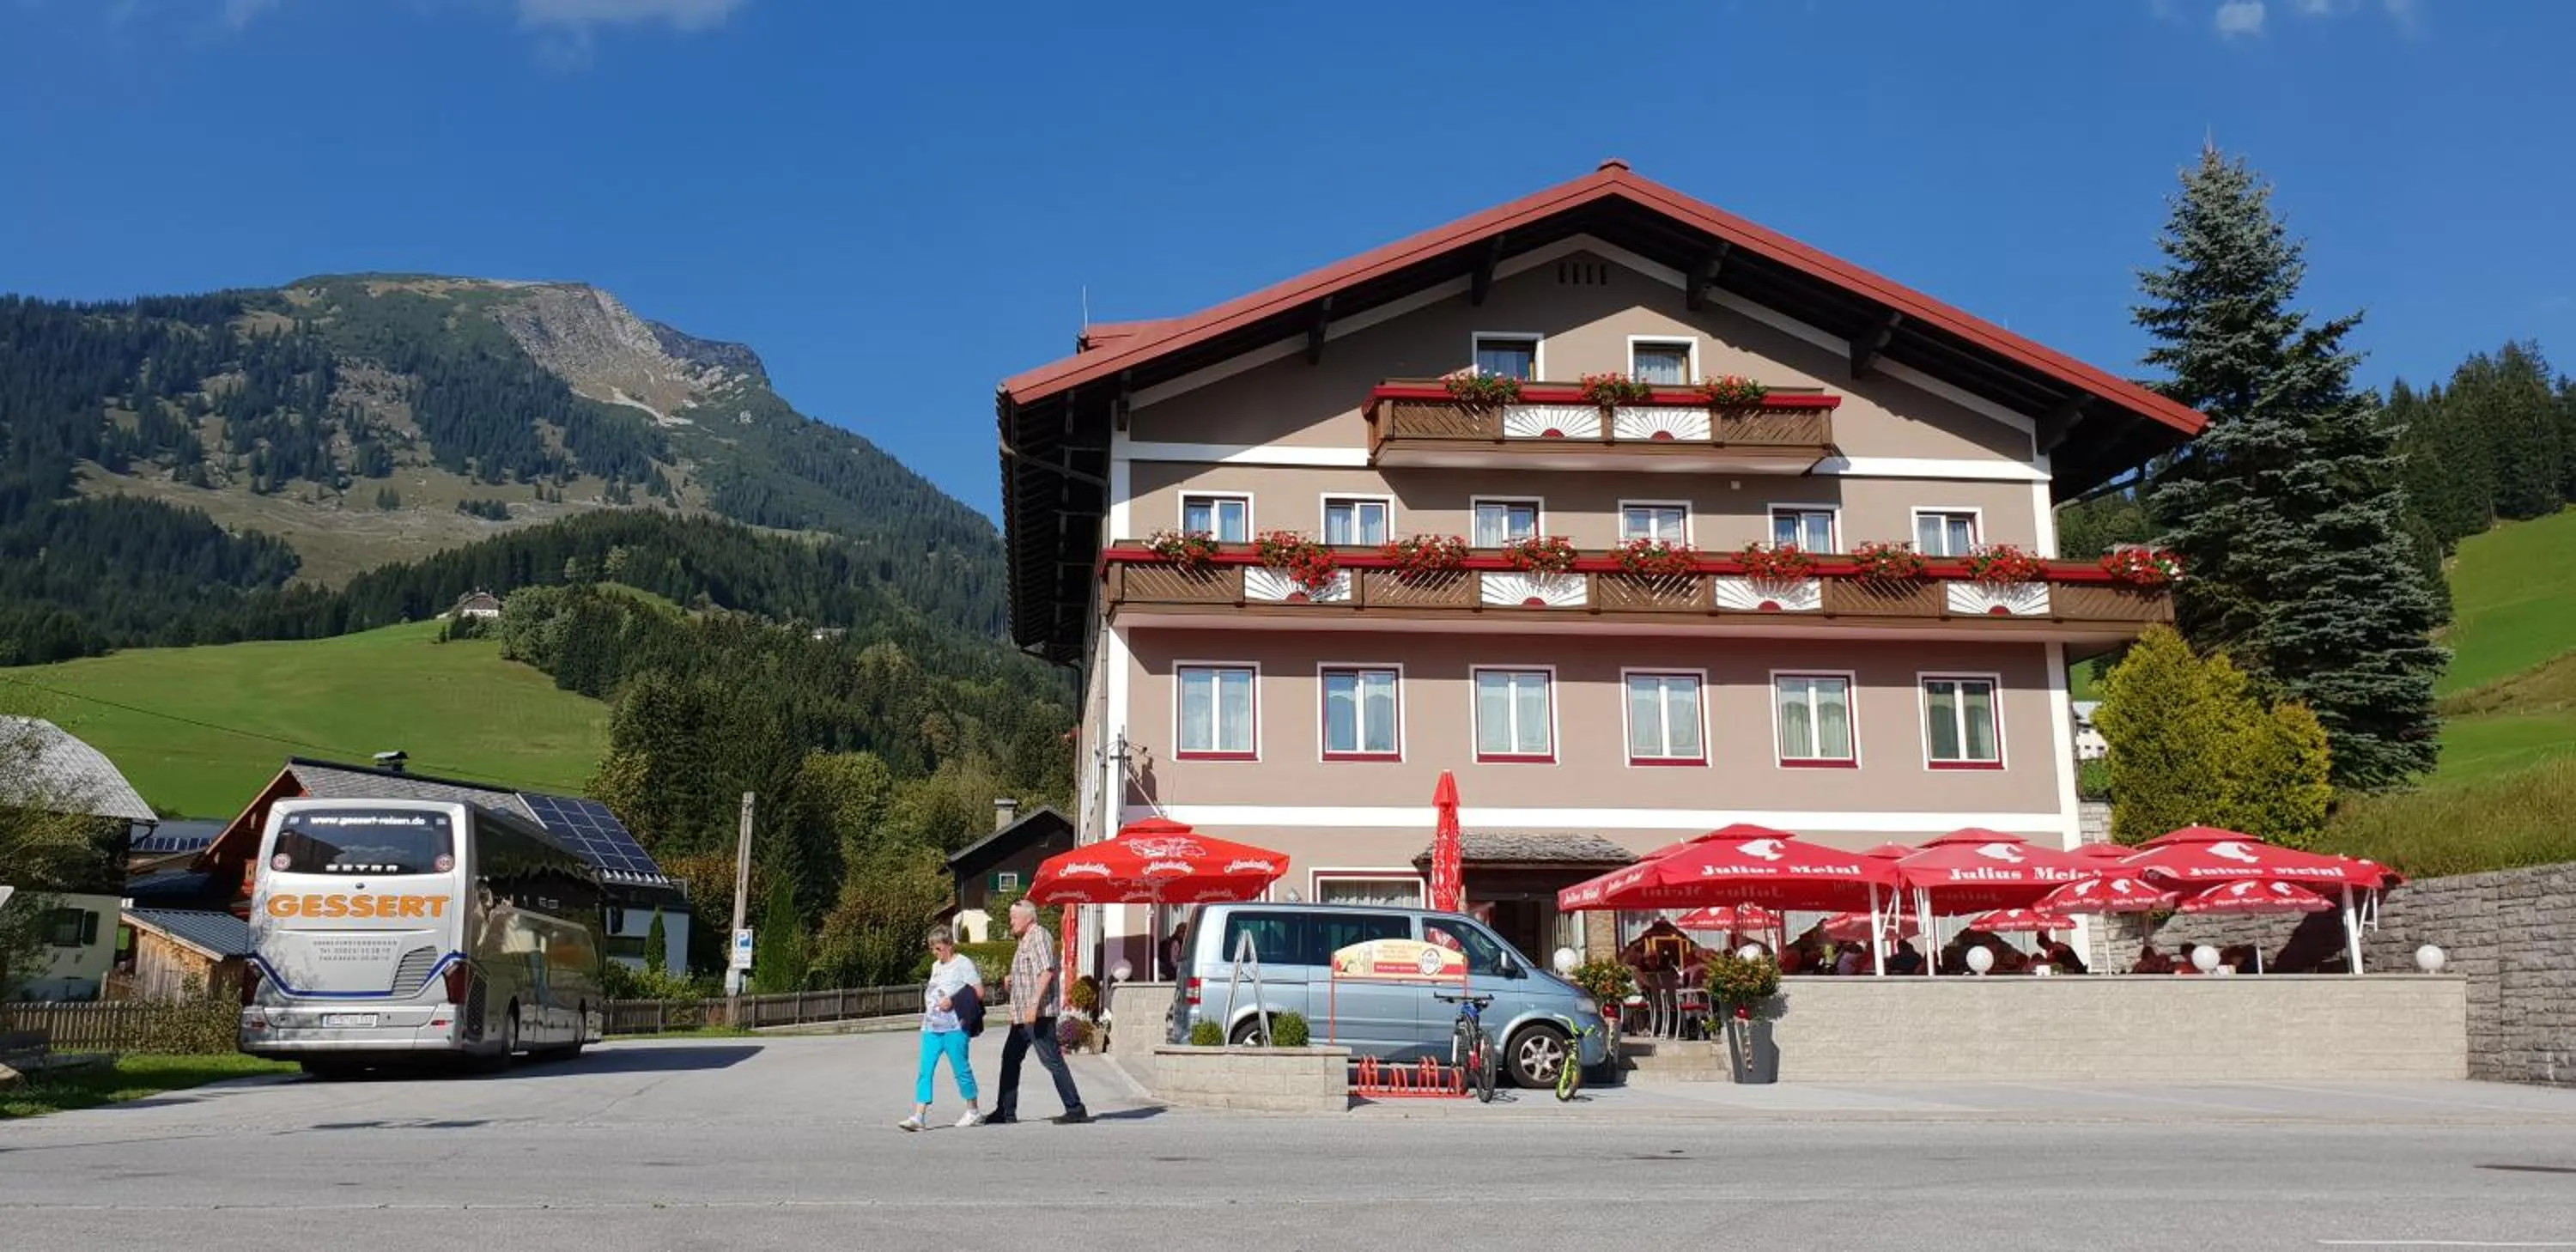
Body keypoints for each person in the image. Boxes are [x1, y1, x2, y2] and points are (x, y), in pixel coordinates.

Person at [988, 898, 1090, 1126]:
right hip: (1023, 1014)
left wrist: (1034, 1004)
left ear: (1029, 918)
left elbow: (1046, 972)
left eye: (1014, 917)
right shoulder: (1024, 940)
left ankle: (1075, 1108)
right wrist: (1012, 980)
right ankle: (1005, 1111)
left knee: (1051, 1059)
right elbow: (1031, 972)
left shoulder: (1039, 936)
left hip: (1038, 1013)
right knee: (1010, 1058)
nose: (1010, 921)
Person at [899, 925, 982, 1132]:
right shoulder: (936, 966)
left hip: (955, 1026)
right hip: (932, 1026)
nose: (935, 953)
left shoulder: (963, 964)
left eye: (939, 948)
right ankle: (919, 1116)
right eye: (933, 949)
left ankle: (973, 1110)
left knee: (961, 1069)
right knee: (925, 1070)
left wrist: (953, 1000)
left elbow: (979, 992)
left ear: (950, 946)